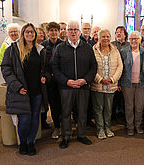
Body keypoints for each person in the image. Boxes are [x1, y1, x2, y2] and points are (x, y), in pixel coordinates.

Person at [1, 23, 47, 156]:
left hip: (37, 91)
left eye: (32, 32)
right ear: (23, 34)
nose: (30, 34)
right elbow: (6, 69)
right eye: (27, 32)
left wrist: (44, 76)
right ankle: (23, 143)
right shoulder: (13, 49)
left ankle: (31, 142)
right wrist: (17, 86)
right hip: (22, 91)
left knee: (34, 119)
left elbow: (44, 68)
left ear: (35, 34)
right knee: (25, 120)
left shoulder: (40, 50)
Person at [52, 20, 97, 149]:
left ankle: (81, 135)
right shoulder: (60, 48)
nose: (73, 32)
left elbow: (93, 67)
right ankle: (66, 136)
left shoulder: (87, 47)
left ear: (79, 32)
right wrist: (66, 81)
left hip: (83, 86)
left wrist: (85, 80)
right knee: (66, 112)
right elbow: (55, 68)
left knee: (82, 112)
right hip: (66, 87)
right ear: (67, 32)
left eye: (75, 30)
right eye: (70, 30)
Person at [91, 29, 123, 139]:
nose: (105, 38)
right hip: (98, 85)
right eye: (103, 36)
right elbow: (90, 67)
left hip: (110, 85)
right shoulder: (93, 50)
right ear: (99, 38)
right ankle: (100, 129)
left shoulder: (115, 50)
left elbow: (120, 66)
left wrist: (112, 79)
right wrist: (100, 79)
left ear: (110, 38)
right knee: (98, 108)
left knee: (108, 108)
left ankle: (107, 127)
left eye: (107, 36)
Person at [119, 31, 144, 136]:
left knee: (139, 107)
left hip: (141, 84)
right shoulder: (123, 51)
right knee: (129, 106)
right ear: (128, 40)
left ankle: (138, 126)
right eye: (131, 39)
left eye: (136, 39)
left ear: (140, 40)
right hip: (127, 84)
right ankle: (130, 127)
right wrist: (119, 83)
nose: (134, 41)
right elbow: (121, 68)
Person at [41, 21, 63, 138]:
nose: (54, 32)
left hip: (62, 80)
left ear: (59, 32)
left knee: (63, 104)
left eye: (56, 30)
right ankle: (57, 127)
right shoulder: (43, 46)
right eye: (51, 30)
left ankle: (64, 126)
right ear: (47, 32)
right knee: (54, 105)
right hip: (50, 81)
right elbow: (42, 65)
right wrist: (49, 75)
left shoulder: (64, 44)